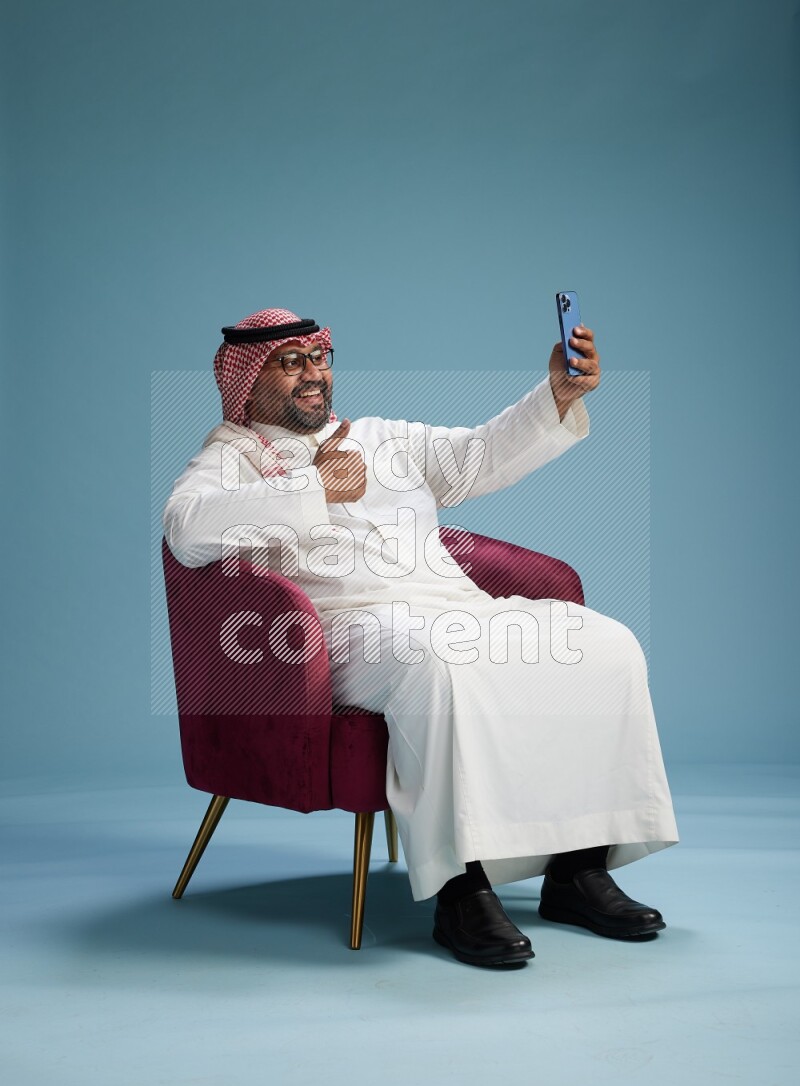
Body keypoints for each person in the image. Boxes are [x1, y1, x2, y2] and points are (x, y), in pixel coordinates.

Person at [163, 307, 679, 968]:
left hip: (451, 606)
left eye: (318, 357)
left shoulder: (382, 438)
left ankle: (579, 870)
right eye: (289, 363)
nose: (312, 374)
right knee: (435, 663)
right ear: (245, 381)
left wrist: (557, 395)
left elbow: (477, 457)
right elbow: (186, 528)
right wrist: (309, 487)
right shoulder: (229, 460)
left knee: (603, 646)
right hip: (341, 633)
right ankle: (461, 890)